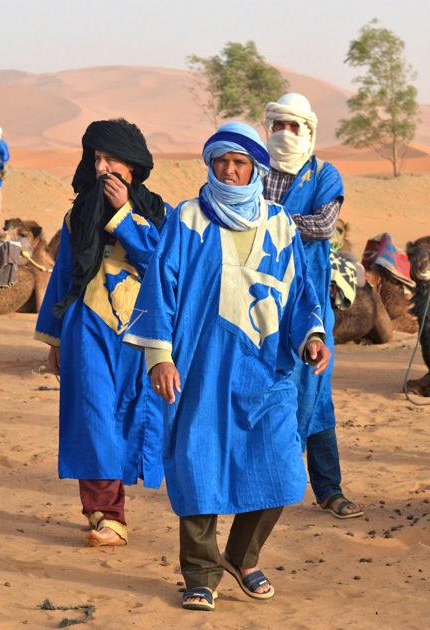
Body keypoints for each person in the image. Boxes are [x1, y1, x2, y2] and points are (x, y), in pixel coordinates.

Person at [124, 122, 331, 612]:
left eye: (240, 163)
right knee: (200, 464)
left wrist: (314, 335)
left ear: (255, 168)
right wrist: (159, 356)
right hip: (202, 368)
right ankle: (200, 572)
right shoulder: (188, 219)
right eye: (222, 162)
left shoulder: (280, 221)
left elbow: (301, 292)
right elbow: (161, 288)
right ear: (211, 166)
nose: (231, 171)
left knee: (282, 467)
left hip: (268, 369)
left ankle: (242, 555)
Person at [34, 118, 168, 547]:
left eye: (112, 159)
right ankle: (108, 514)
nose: (103, 167)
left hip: (138, 330)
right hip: (86, 327)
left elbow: (160, 267)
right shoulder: (77, 214)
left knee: (129, 416)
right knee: (91, 417)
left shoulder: (158, 212)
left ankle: (106, 508)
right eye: (97, 159)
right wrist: (54, 341)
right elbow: (63, 277)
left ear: (132, 166)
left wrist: (127, 213)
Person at [263, 93, 363, 520]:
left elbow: (323, 226)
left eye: (293, 126)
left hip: (311, 301)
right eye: (278, 125)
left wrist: (268, 219)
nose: (284, 134)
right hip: (261, 300)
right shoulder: (256, 170)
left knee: (313, 391)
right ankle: (274, 482)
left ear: (309, 131)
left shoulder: (324, 173)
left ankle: (322, 487)